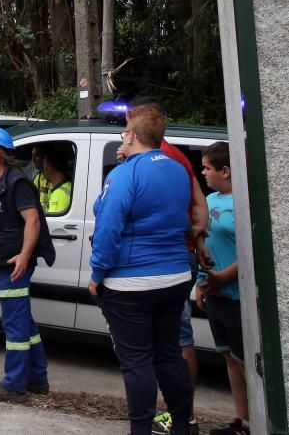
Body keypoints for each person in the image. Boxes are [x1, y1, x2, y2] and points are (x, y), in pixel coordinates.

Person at [89, 107, 193, 435]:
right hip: (175, 276)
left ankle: (140, 430)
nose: (123, 136)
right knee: (169, 356)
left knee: (137, 362)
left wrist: (97, 273)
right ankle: (182, 426)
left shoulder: (123, 176)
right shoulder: (178, 170)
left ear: (132, 136)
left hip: (131, 281)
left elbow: (108, 226)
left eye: (124, 132)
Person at [120, 97, 207, 433]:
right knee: (171, 342)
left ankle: (180, 415)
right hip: (179, 256)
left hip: (161, 261)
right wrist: (199, 242)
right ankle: (182, 416)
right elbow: (196, 200)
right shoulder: (174, 157)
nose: (125, 131)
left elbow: (113, 215)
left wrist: (99, 273)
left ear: (137, 123)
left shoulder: (160, 158)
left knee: (169, 345)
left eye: (128, 124)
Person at [0, 126, 55, 402]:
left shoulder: (17, 182)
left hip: (14, 264)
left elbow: (32, 220)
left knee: (15, 325)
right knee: (24, 322)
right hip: (5, 261)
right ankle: (37, 379)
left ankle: (14, 385)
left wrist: (23, 255)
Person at [196, 143, 249, 435]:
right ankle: (240, 419)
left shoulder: (243, 203)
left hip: (236, 296)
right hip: (214, 294)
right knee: (229, 357)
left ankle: (259, 419)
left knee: (245, 361)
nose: (203, 173)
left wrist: (222, 278)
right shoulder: (210, 200)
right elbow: (204, 246)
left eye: (207, 168)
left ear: (226, 171)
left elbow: (251, 252)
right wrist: (200, 284)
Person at [39, 147, 72, 215]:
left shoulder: (60, 193)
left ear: (49, 168)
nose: (43, 170)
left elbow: (53, 222)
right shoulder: (68, 185)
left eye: (43, 166)